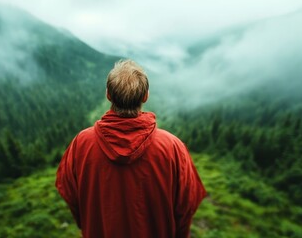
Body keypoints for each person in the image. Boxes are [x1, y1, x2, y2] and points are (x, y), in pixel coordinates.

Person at [55, 59, 206, 238]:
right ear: (145, 96)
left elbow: (68, 191)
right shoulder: (172, 147)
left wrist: (87, 222)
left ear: (108, 95)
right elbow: (187, 203)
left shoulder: (81, 143)